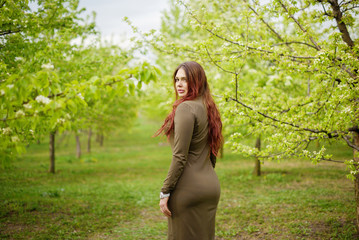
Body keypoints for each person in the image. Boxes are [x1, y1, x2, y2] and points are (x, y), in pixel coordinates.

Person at [155, 61, 223, 240]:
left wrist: (165, 191)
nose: (179, 84)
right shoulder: (209, 107)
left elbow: (180, 156)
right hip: (210, 187)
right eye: (177, 79)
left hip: (187, 189)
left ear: (197, 80)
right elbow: (212, 152)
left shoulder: (186, 108)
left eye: (184, 79)